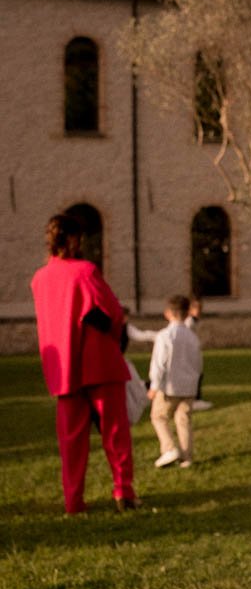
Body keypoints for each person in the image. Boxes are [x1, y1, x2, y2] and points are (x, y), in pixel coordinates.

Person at [30, 213, 138, 514]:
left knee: (71, 442)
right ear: (74, 239)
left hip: (64, 369)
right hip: (98, 362)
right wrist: (112, 337)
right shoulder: (85, 270)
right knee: (114, 434)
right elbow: (113, 312)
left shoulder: (39, 279)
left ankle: (73, 501)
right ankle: (123, 492)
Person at [147, 295, 203, 469]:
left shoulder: (165, 336)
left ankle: (169, 448)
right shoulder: (193, 337)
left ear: (168, 313)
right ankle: (187, 457)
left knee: (158, 417)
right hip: (189, 386)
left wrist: (154, 386)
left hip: (169, 386)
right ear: (187, 314)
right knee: (183, 420)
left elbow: (159, 363)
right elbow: (198, 363)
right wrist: (194, 382)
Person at [185, 295, 213, 410]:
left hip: (194, 352)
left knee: (199, 375)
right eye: (196, 308)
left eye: (200, 308)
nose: (199, 310)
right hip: (190, 354)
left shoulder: (194, 321)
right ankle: (195, 400)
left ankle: (196, 398)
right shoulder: (189, 322)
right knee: (195, 375)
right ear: (190, 310)